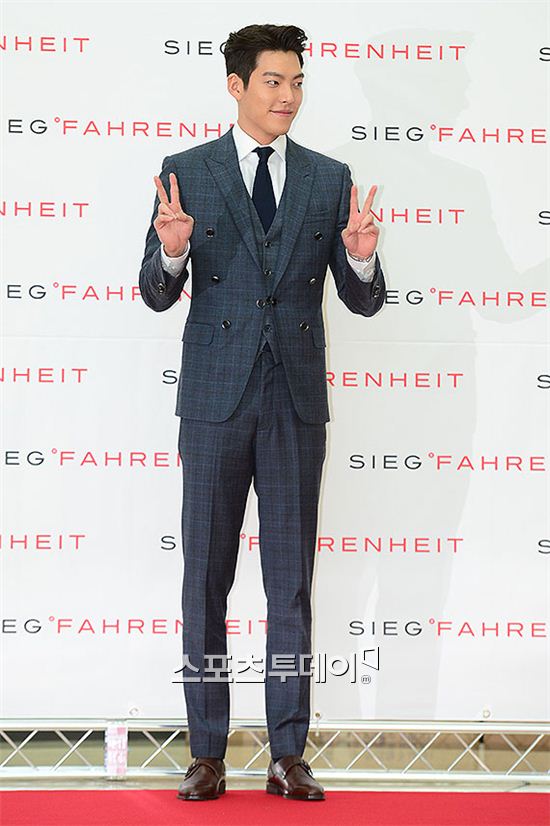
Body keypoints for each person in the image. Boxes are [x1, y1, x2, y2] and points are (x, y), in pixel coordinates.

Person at [139, 23, 386, 802]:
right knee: (204, 582)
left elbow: (363, 300)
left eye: (298, 81)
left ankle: (287, 753)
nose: (288, 95)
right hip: (214, 403)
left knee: (291, 586)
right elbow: (153, 292)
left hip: (293, 405)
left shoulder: (329, 177)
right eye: (274, 81)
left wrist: (360, 258)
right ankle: (206, 753)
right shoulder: (186, 172)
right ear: (236, 85)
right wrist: (172, 251)